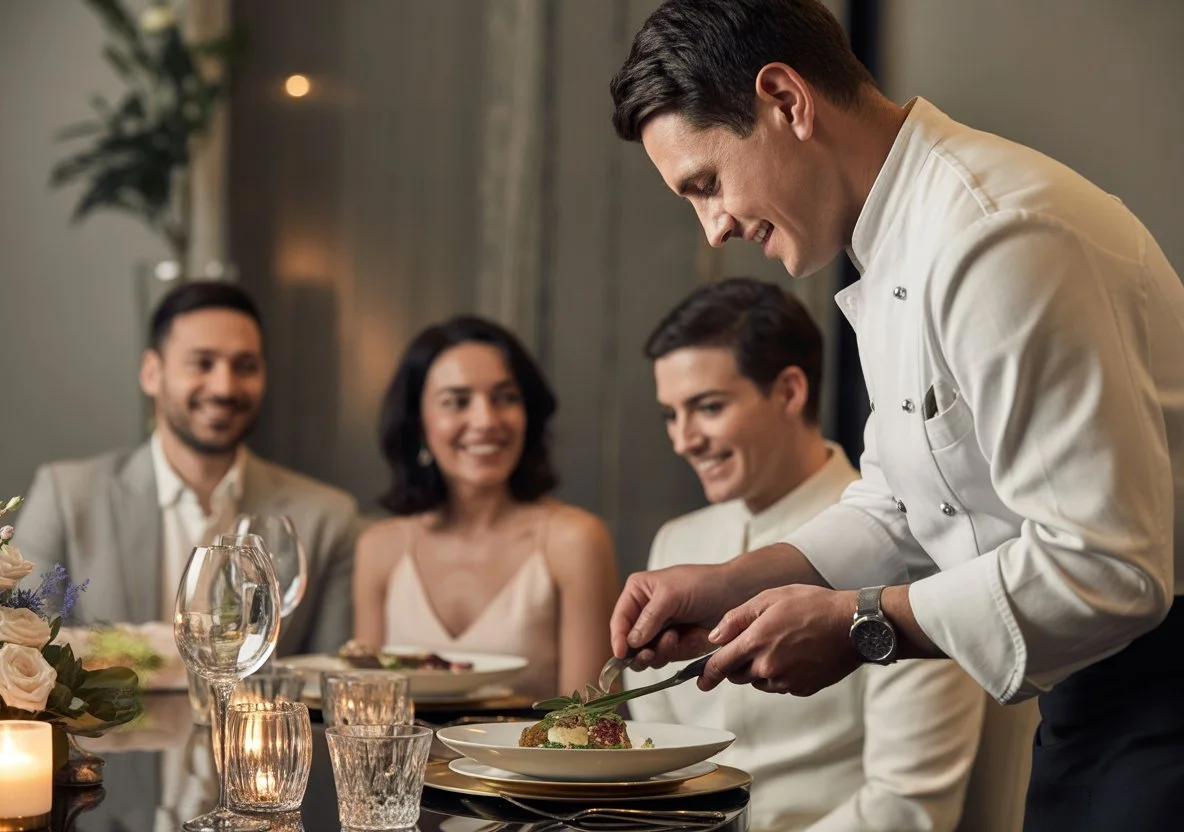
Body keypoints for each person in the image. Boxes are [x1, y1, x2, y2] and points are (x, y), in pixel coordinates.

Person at [606, 1, 1184, 829]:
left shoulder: (993, 236)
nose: (716, 225)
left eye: (707, 183)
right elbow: (905, 505)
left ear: (786, 100)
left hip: (1164, 699)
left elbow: (1107, 569)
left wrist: (863, 626)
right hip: (1094, 705)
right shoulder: (898, 236)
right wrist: (733, 583)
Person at [628, 277, 985, 831]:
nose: (684, 439)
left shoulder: (922, 541)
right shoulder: (675, 545)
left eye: (708, 407)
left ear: (790, 392)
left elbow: (908, 803)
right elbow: (648, 757)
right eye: (671, 415)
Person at [16, 281, 361, 656]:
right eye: (202, 363)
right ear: (152, 372)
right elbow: (25, 648)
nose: (224, 387)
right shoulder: (66, 496)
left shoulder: (327, 519)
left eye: (245, 366)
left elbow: (327, 684)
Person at [351, 315, 619, 701]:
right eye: (457, 401)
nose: (486, 420)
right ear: (418, 423)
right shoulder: (379, 547)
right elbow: (364, 711)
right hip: (400, 764)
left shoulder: (575, 540)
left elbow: (592, 720)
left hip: (535, 762)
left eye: (506, 397)